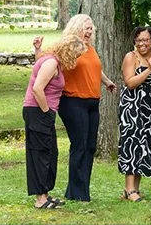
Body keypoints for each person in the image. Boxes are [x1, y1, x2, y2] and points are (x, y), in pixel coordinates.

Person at [33, 14, 118, 202]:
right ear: (76, 28)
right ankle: (78, 193)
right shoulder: (68, 47)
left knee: (90, 146)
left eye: (91, 28)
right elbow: (46, 62)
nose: (89, 32)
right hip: (73, 101)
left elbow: (95, 68)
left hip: (92, 102)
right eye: (86, 28)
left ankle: (79, 190)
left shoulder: (90, 48)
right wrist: (37, 50)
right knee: (79, 145)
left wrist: (107, 82)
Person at [23, 35, 87, 209]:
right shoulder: (51, 63)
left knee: (50, 153)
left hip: (44, 112)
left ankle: (45, 194)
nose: (75, 59)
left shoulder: (52, 61)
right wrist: (46, 112)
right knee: (40, 153)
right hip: (38, 111)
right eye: (75, 55)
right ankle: (40, 200)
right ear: (68, 51)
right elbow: (37, 89)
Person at [118, 26, 151, 202]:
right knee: (132, 144)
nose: (141, 44)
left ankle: (133, 189)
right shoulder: (131, 57)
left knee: (145, 146)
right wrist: (149, 70)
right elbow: (130, 83)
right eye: (138, 40)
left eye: (145, 40)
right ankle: (130, 190)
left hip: (150, 109)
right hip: (132, 108)